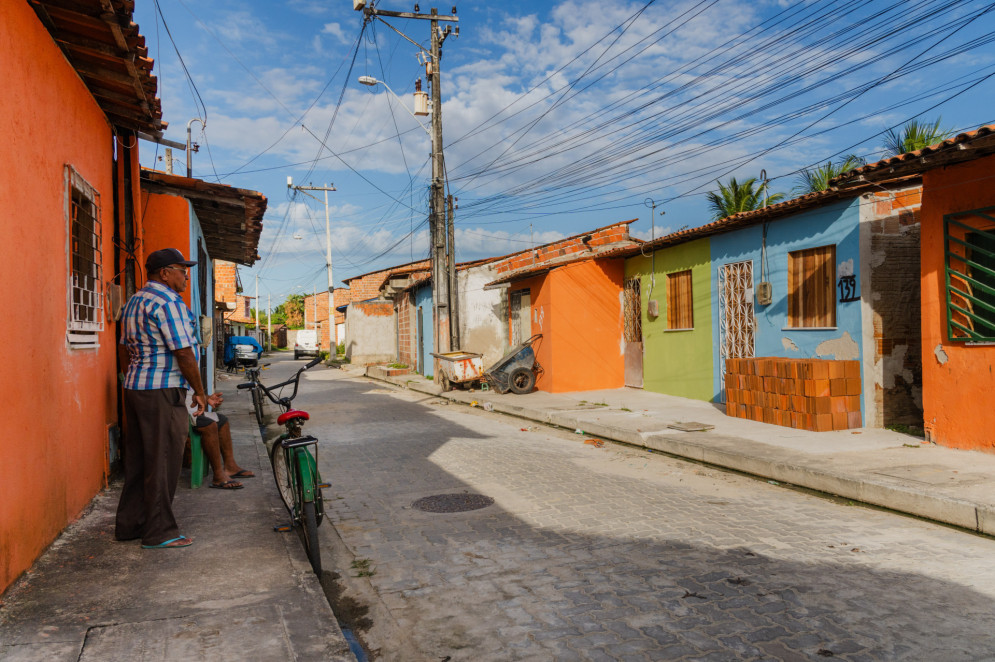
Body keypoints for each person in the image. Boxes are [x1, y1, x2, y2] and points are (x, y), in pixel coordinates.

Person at [116, 248, 207, 550]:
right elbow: (183, 351)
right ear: (165, 273)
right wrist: (200, 392)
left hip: (136, 388)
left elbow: (122, 348)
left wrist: (133, 375)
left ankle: (131, 525)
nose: (186, 275)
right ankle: (160, 532)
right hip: (163, 390)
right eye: (182, 270)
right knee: (164, 459)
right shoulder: (169, 302)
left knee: (140, 459)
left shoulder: (134, 301)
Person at [189, 391, 255, 489]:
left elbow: (192, 395)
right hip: (184, 413)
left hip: (194, 412)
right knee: (210, 425)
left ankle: (230, 466)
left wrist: (206, 398)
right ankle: (218, 475)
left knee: (222, 420)